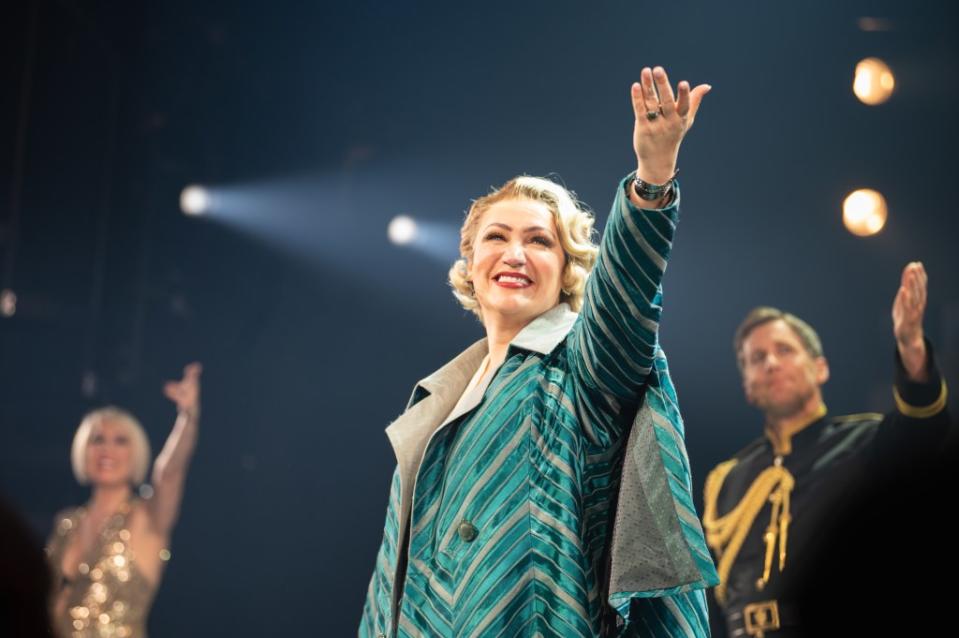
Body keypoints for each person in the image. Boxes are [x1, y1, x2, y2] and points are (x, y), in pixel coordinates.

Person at [360, 66, 718, 638]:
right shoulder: (434, 405)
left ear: (568, 268)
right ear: (470, 267)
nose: (515, 253)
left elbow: (625, 292)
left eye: (539, 240)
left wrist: (652, 177)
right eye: (497, 237)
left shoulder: (584, 361)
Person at [702, 263, 950, 637]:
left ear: (820, 368)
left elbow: (925, 424)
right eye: (756, 358)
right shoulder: (727, 481)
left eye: (784, 350)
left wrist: (911, 345)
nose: (770, 363)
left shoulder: (867, 441)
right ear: (748, 386)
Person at [46, 363, 202, 638]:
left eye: (120, 441)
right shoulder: (67, 524)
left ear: (136, 453)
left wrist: (187, 418)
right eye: (98, 439)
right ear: (83, 449)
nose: (107, 449)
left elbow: (168, 475)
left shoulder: (145, 518)